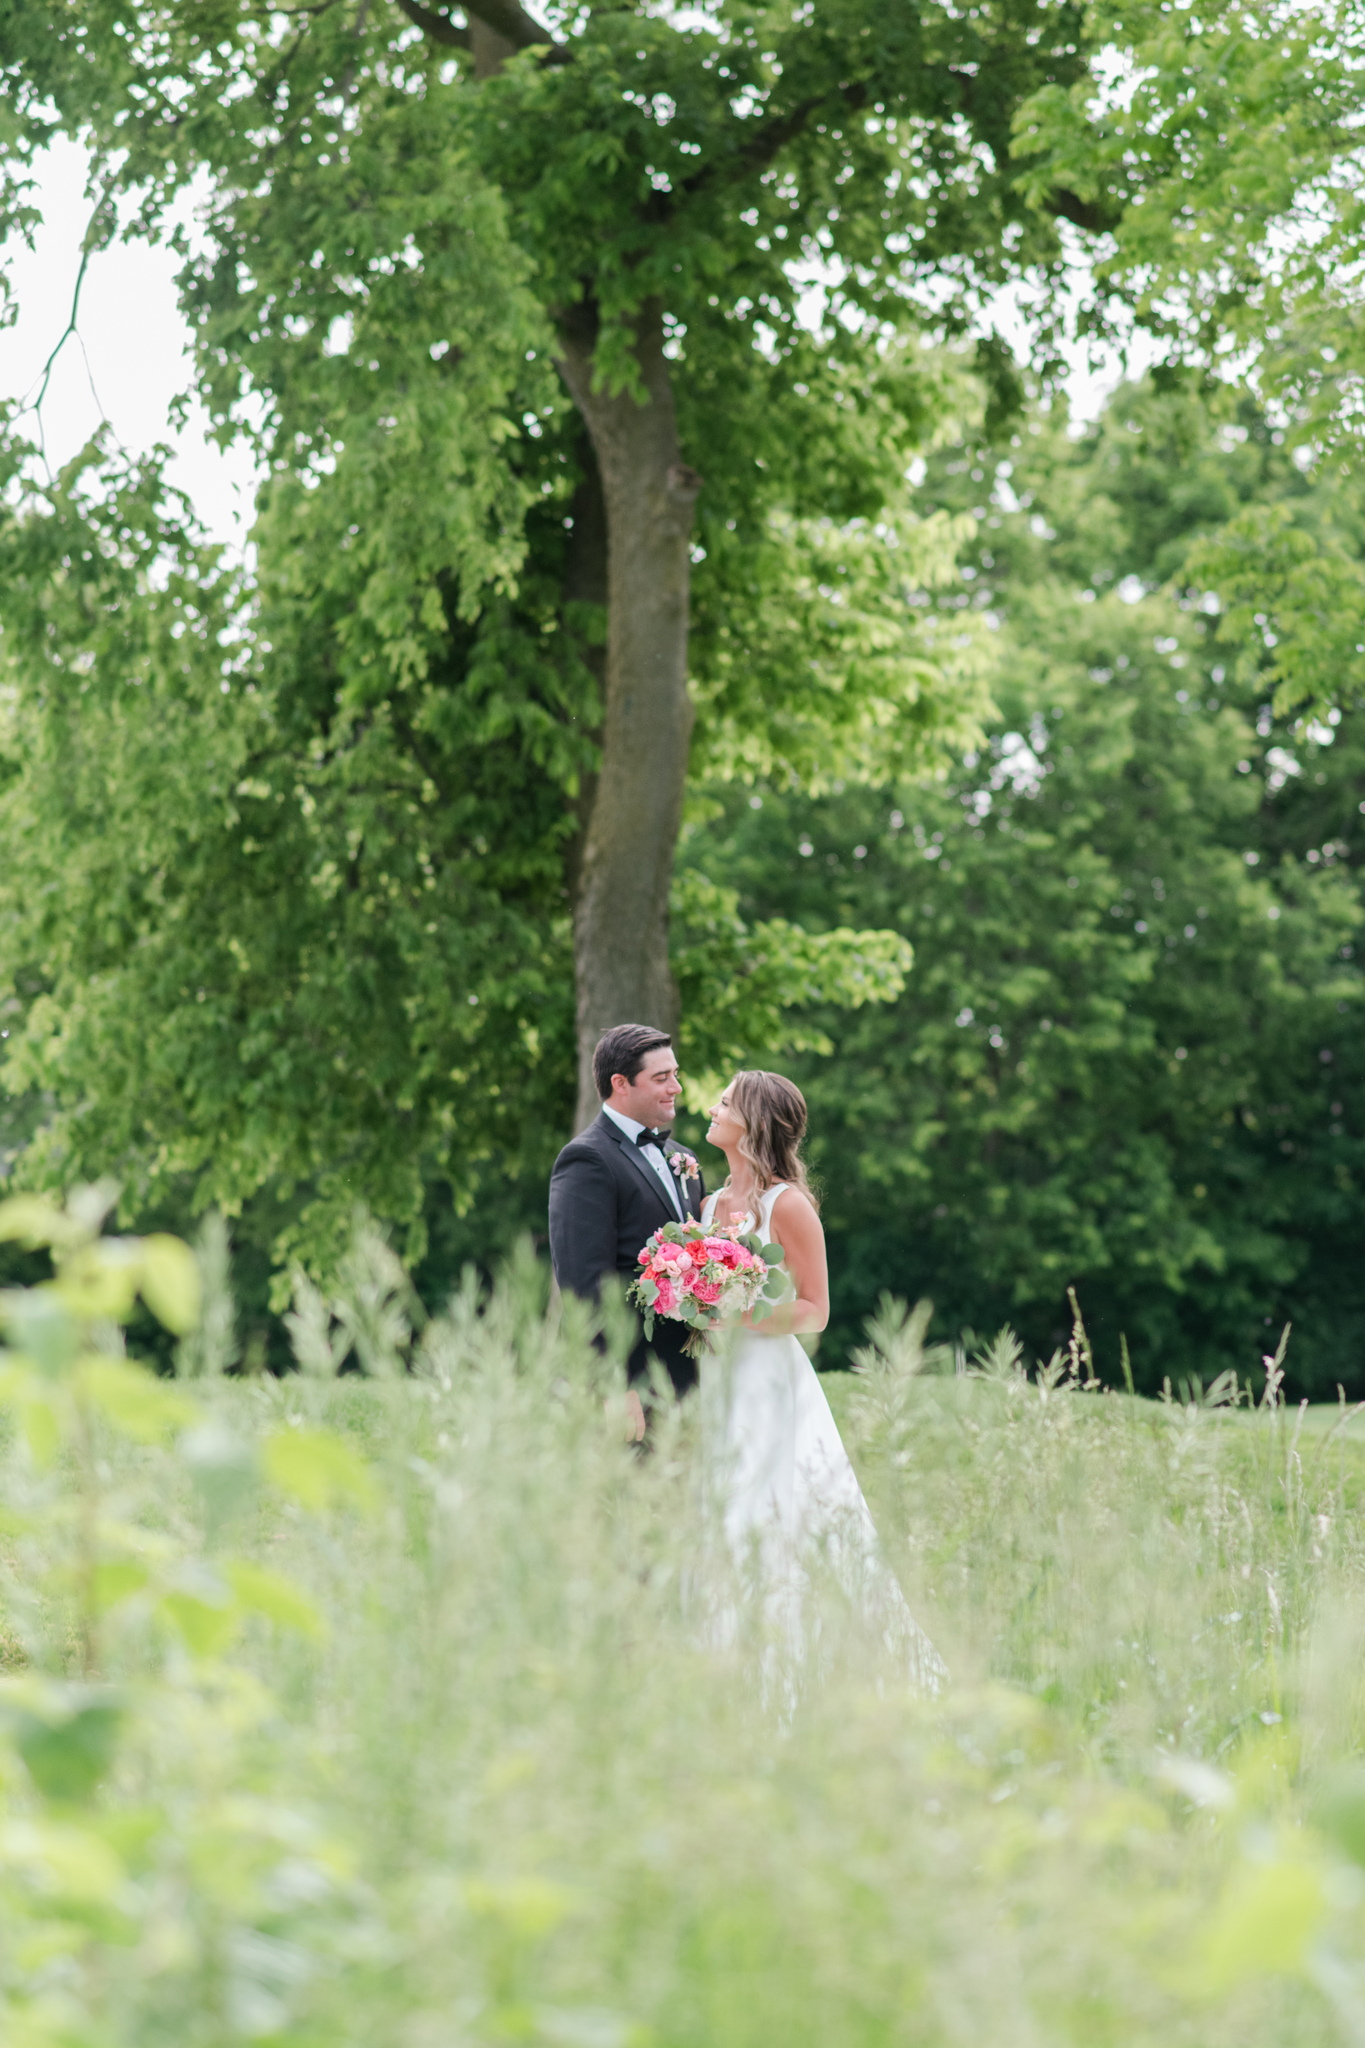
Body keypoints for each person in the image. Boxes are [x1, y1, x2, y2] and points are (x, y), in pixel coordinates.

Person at [700, 1070, 944, 1687]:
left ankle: (793, 1669)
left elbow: (815, 1310)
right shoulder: (708, 1203)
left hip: (767, 1382)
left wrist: (739, 1314)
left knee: (771, 1515)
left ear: (752, 1123)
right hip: (713, 1380)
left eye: (724, 1102)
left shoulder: (788, 1205)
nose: (711, 1107)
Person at [549, 1023, 705, 1439]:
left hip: (691, 1375)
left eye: (675, 1074)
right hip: (632, 1380)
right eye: (661, 1078)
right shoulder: (586, 1159)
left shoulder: (683, 1159)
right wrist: (614, 1384)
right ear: (620, 1083)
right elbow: (583, 1282)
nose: (676, 1087)